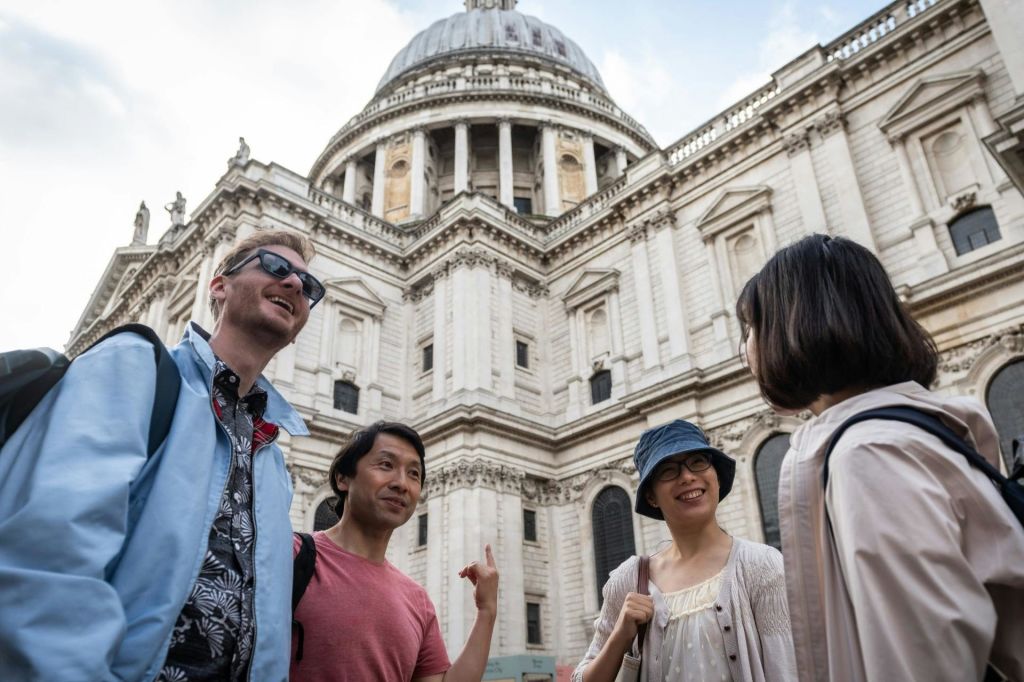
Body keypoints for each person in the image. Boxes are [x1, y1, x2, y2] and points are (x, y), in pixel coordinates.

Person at [0, 229, 326, 681]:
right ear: (218, 285)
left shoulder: (270, 456)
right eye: (274, 267)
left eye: (308, 287)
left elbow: (262, 617)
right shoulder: (135, 367)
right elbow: (48, 556)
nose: (293, 284)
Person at [736, 233, 1024, 681]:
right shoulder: (901, 434)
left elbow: (925, 664)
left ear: (795, 325)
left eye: (750, 328)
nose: (745, 349)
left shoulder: (868, 454)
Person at [572, 419, 796, 682]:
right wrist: (621, 635)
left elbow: (787, 671)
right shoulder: (629, 581)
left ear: (716, 475)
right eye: (668, 470)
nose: (687, 476)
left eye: (698, 461)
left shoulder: (762, 565)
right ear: (651, 496)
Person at [290, 421, 499, 682]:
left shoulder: (417, 600)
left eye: (414, 474)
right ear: (343, 478)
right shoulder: (290, 555)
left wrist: (486, 611)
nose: (402, 483)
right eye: (386, 465)